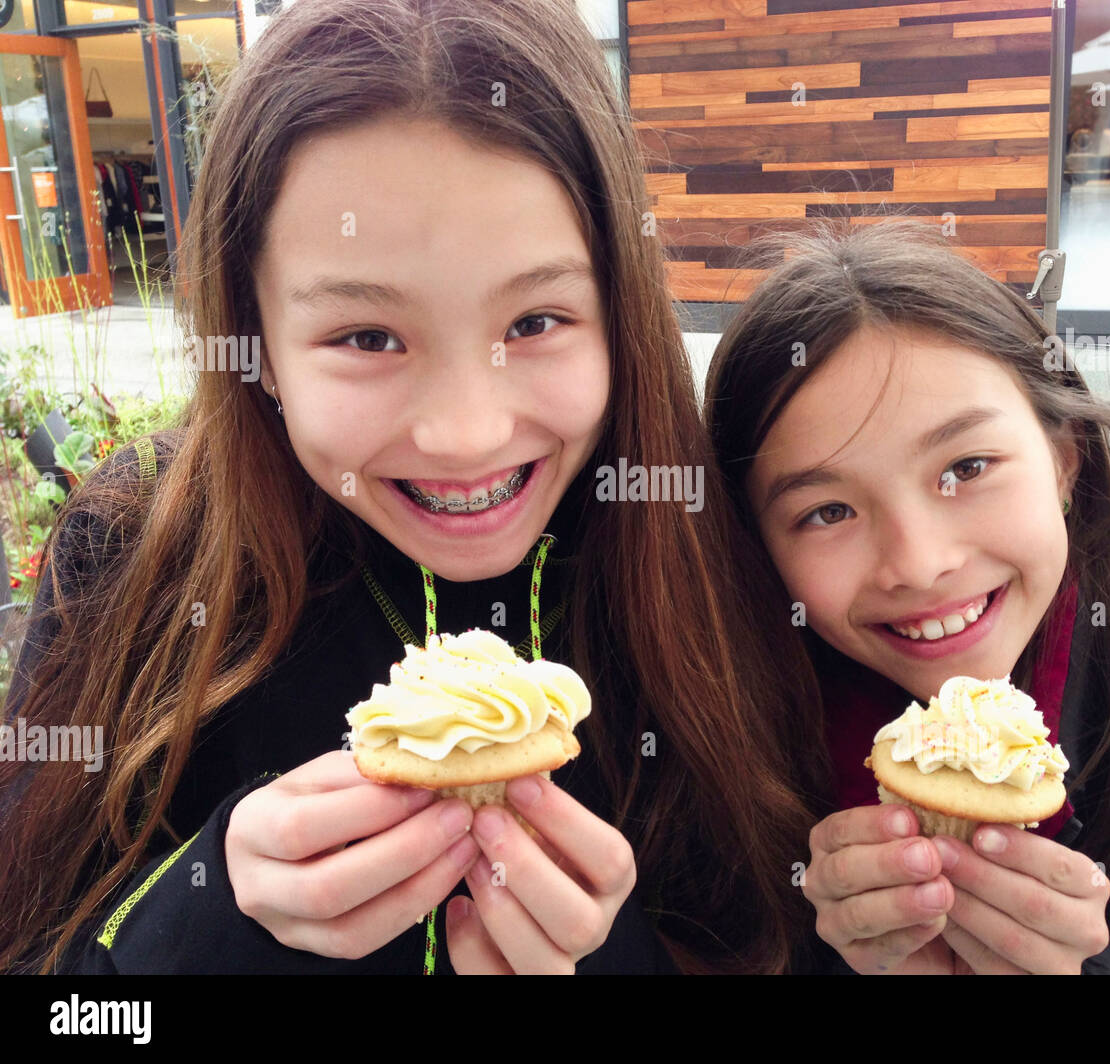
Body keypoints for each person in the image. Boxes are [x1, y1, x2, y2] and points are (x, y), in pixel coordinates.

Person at [0, 0, 833, 975]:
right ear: (258, 346)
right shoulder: (132, 550)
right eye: (366, 337)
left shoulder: (711, 552)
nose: (465, 434)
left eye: (535, 321)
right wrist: (180, 933)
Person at [704, 219, 1110, 975]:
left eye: (969, 466)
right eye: (828, 512)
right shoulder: (732, 706)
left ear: (1061, 461)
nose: (919, 566)